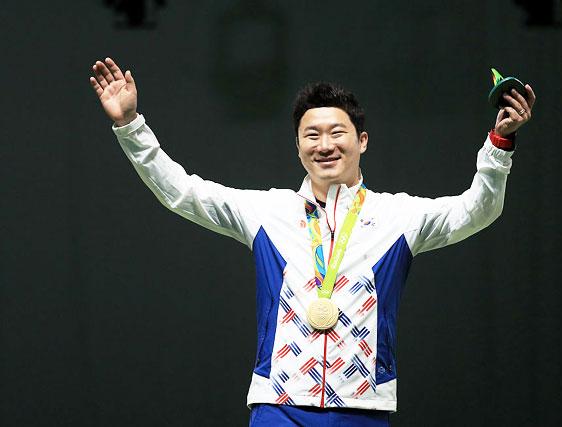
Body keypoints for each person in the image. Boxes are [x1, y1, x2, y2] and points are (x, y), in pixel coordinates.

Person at [89, 57, 536, 426]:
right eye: (312, 135)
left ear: (362, 141)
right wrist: (131, 125)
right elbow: (182, 193)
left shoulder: (399, 217)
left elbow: (478, 210)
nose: (325, 145)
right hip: (278, 405)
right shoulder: (267, 212)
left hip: (362, 407)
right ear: (298, 146)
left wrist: (500, 144)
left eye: (337, 133)